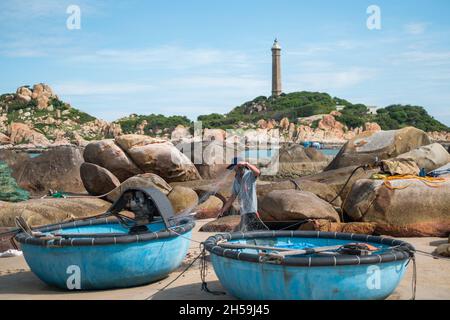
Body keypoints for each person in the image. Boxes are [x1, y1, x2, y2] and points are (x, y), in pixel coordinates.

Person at [217, 157, 267, 232]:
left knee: (257, 230)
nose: (234, 169)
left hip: (252, 210)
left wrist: (247, 164)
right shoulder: (236, 180)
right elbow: (233, 197)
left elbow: (258, 172)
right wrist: (223, 209)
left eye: (236, 167)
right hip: (243, 211)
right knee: (247, 231)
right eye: (234, 167)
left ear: (241, 166)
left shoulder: (250, 175)